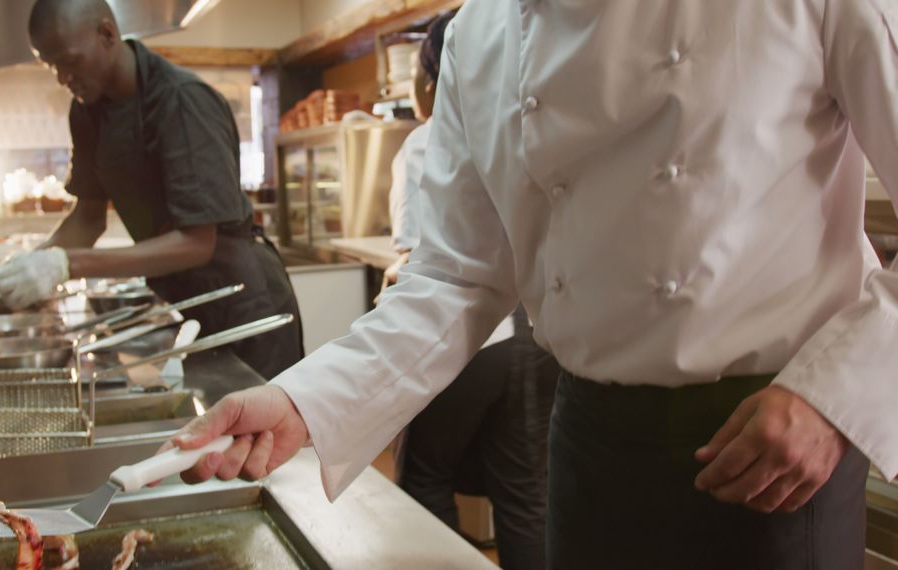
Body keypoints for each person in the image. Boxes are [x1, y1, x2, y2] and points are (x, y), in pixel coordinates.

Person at [163, 1, 898, 568]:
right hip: (588, 447)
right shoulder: (483, 34)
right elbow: (455, 276)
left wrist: (831, 400)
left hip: (772, 454)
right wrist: (305, 401)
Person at [0, 0, 303, 379]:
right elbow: (88, 220)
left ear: (107, 34)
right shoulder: (87, 111)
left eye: (70, 61)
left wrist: (64, 265)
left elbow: (196, 242)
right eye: (52, 66)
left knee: (259, 427)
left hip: (244, 301)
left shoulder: (181, 100)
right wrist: (32, 269)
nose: (62, 78)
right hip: (188, 300)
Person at [384, 12, 557, 569]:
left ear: (436, 77)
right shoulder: (530, 126)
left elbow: (421, 257)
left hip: (468, 337)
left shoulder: (423, 141)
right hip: (536, 336)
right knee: (524, 494)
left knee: (425, 477)